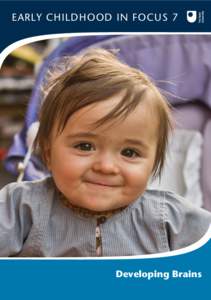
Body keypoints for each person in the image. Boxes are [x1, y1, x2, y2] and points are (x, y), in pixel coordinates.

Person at [0, 48, 210, 257]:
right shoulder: (19, 208)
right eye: (85, 146)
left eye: (129, 152)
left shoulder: (171, 219)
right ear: (47, 153)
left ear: (153, 162)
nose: (106, 166)